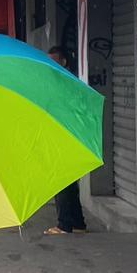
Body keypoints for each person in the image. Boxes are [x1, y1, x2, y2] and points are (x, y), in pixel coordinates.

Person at [45, 45, 87, 236]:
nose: (50, 65)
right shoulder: (64, 80)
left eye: (54, 61)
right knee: (69, 182)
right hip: (66, 135)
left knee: (60, 180)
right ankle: (78, 223)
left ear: (63, 61)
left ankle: (64, 225)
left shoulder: (65, 82)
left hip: (64, 136)